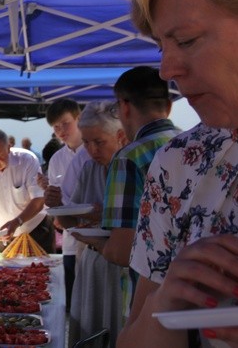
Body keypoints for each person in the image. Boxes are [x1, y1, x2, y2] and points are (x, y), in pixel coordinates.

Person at [118, 0, 238, 347]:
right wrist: (165, 309)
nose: (166, 69)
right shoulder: (180, 163)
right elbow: (133, 339)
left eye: (186, 40)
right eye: (161, 47)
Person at [73, 66, 179, 314]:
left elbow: (122, 252)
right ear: (169, 106)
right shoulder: (195, 146)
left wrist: (93, 241)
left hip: (151, 298)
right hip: (199, 292)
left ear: (125, 107)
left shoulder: (130, 158)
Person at [54, 101, 128, 347]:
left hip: (120, 265)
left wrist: (102, 217)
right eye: (87, 142)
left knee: (115, 328)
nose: (92, 150)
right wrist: (55, 205)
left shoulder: (131, 169)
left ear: (120, 137)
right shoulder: (89, 168)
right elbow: (68, 221)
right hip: (91, 260)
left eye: (99, 142)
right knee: (89, 328)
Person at [38, 98, 88, 312]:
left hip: (96, 238)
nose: (60, 130)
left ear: (79, 119)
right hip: (70, 238)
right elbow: (57, 201)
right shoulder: (57, 158)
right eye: (56, 127)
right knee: (71, 304)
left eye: (65, 123)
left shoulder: (96, 149)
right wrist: (49, 193)